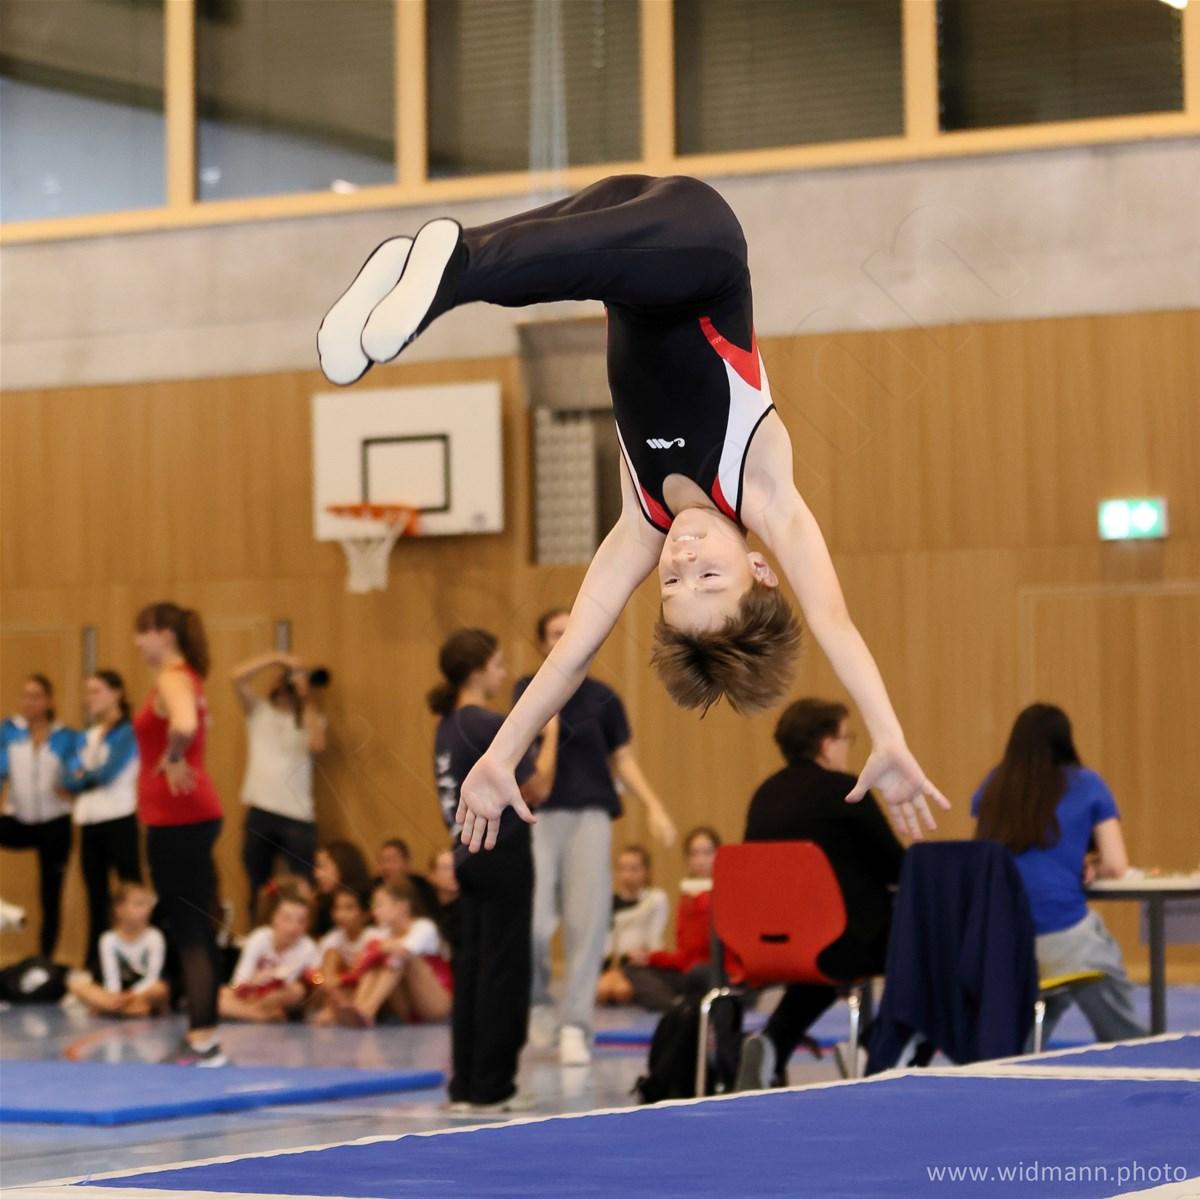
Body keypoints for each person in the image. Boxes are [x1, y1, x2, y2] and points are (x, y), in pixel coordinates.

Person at [318, 174, 948, 854]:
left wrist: (502, 754)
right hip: (699, 241)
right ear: (761, 568)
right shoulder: (762, 490)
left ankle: (419, 266)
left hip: (618, 235)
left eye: (673, 584)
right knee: (556, 263)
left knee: (549, 263)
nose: (683, 561)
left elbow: (570, 658)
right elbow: (834, 621)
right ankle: (450, 271)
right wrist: (887, 732)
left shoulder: (641, 525)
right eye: (711, 577)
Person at [520, 607, 676, 1065]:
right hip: (539, 817)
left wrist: (654, 805)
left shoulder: (603, 698)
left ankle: (575, 1024)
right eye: (554, 632)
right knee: (533, 924)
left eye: (570, 630)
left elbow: (622, 759)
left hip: (590, 815)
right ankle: (538, 1004)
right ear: (541, 643)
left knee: (586, 925)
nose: (563, 638)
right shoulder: (528, 689)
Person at [737, 699, 905, 1089]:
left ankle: (772, 1043)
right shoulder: (845, 790)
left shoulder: (764, 795)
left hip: (766, 943)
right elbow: (896, 867)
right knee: (922, 944)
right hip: (841, 942)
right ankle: (872, 1046)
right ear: (827, 745)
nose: (849, 749)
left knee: (821, 959)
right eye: (848, 739)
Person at [429, 628, 558, 1112]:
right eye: (498, 664)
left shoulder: (447, 725)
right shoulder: (486, 723)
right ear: (477, 671)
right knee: (504, 969)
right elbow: (538, 786)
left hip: (466, 854)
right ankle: (493, 1086)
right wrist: (552, 731)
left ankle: (465, 1084)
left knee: (472, 971)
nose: (504, 673)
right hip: (501, 851)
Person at [973, 703, 1146, 1044]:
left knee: (1049, 992)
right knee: (1093, 968)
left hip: (1002, 940)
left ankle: (1020, 1051)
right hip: (1062, 934)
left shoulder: (994, 786)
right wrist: (1093, 865)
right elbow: (1116, 865)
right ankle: (1136, 1049)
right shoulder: (1088, 784)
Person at [133, 601, 225, 1066]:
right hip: (187, 816)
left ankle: (203, 1038)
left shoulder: (172, 677)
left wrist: (172, 757)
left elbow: (185, 724)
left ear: (165, 634)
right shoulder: (186, 676)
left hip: (180, 819)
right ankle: (202, 1034)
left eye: (142, 632)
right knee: (194, 925)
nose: (137, 642)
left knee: (189, 928)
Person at [232, 652, 328, 915]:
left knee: (304, 885)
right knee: (258, 886)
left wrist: (306, 697)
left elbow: (317, 744)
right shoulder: (259, 712)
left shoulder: (310, 718)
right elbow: (237, 677)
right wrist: (278, 659)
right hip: (260, 811)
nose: (283, 684)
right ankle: (259, 931)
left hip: (298, 816)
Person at [63, 670, 142, 974]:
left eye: (96, 691)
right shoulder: (86, 736)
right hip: (89, 821)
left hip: (120, 818)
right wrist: (82, 779)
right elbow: (68, 777)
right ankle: (96, 962)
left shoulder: (128, 732)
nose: (89, 698)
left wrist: (84, 777)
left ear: (117, 693)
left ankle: (136, 959)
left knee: (131, 892)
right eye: (88, 692)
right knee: (96, 896)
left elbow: (107, 773)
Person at [0, 675, 77, 959]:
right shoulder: (10, 731)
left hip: (54, 823)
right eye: (25, 696)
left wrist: (73, 786)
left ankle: (46, 959)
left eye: (36, 696)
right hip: (19, 819)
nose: (29, 702)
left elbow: (77, 773)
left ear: (49, 701)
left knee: (50, 893)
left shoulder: (65, 737)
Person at [622, 827, 720, 1012]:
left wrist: (703, 898)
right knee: (633, 969)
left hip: (716, 972)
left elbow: (709, 949)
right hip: (690, 970)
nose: (700, 860)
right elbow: (685, 955)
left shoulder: (724, 892)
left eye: (707, 853)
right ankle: (675, 1006)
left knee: (699, 972)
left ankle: (680, 1004)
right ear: (688, 860)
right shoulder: (687, 897)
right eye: (694, 854)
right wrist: (650, 958)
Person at [334, 880, 451, 1028]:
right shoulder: (384, 933)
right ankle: (359, 1007)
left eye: (379, 905)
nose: (374, 911)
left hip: (436, 1005)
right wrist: (374, 953)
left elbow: (404, 950)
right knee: (380, 958)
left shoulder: (424, 926)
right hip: (408, 1009)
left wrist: (377, 949)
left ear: (402, 907)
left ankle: (368, 1009)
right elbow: (362, 963)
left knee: (399, 956)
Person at [219, 881, 318, 1023]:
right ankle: (258, 1014)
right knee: (219, 994)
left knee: (297, 991)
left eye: (301, 921)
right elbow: (237, 983)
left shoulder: (308, 947)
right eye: (287, 919)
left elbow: (315, 984)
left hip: (280, 998)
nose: (293, 927)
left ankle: (247, 1012)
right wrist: (254, 981)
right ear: (274, 918)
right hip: (252, 995)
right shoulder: (259, 938)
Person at [66, 881, 169, 1017]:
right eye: (138, 904)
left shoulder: (154, 937)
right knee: (76, 984)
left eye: (147, 905)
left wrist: (129, 995)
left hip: (141, 992)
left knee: (160, 989)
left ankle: (110, 1008)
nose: (146, 910)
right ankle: (130, 1009)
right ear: (119, 909)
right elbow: (111, 977)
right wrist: (115, 996)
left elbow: (152, 977)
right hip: (116, 995)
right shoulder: (108, 939)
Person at [596, 845, 669, 1006]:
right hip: (609, 964)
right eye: (623, 869)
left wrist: (648, 956)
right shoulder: (607, 902)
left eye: (634, 869)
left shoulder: (654, 900)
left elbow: (654, 940)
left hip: (636, 966)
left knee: (621, 990)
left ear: (646, 871)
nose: (627, 874)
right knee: (602, 990)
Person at [310, 885, 378, 1025]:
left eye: (349, 908)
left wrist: (340, 979)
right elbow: (316, 975)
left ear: (365, 914)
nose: (341, 915)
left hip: (364, 989)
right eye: (337, 908)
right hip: (338, 991)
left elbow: (363, 973)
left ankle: (354, 1008)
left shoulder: (374, 936)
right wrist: (323, 980)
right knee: (331, 954)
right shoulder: (332, 938)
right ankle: (333, 1007)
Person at [312, 840, 373, 937]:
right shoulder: (322, 902)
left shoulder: (366, 898)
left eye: (322, 867)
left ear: (343, 866)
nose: (317, 874)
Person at [376, 837, 439, 918]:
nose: (386, 867)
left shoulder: (423, 888)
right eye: (382, 861)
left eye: (392, 860)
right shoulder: (377, 888)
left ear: (406, 863)